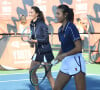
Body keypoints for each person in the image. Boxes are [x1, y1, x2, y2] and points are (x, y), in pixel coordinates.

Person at [53, 4, 86, 90]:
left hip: (76, 60)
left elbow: (79, 48)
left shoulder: (71, 27)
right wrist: (57, 58)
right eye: (56, 13)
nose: (56, 16)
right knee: (56, 88)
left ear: (65, 15)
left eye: (58, 14)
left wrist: (64, 55)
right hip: (66, 61)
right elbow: (63, 46)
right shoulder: (60, 30)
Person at [29, 6, 54, 90]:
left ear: (37, 14)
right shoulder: (31, 24)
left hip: (46, 52)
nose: (30, 14)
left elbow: (46, 39)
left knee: (48, 74)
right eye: (29, 12)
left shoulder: (42, 25)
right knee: (31, 72)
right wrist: (31, 42)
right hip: (38, 52)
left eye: (32, 12)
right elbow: (33, 37)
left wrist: (35, 41)